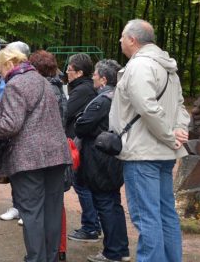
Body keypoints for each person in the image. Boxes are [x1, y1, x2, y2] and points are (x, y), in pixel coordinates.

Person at [0, 47, 71, 262]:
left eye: (0, 70)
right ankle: (51, 257)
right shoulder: (43, 80)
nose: (0, 75)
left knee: (32, 213)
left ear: (9, 64)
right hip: (56, 155)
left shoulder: (16, 84)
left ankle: (36, 258)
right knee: (52, 211)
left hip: (29, 159)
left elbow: (10, 125)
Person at [110, 20, 190, 262]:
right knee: (165, 214)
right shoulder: (167, 67)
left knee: (147, 218)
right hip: (163, 153)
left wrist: (170, 134)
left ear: (132, 39)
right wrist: (178, 131)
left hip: (142, 154)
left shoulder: (140, 66)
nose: (120, 41)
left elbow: (147, 108)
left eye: (122, 37)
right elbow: (180, 108)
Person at [75, 60, 130, 262]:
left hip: (100, 160)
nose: (93, 78)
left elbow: (82, 126)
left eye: (95, 75)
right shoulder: (119, 97)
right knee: (113, 204)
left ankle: (113, 252)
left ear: (104, 79)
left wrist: (81, 117)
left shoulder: (103, 100)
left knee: (106, 204)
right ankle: (120, 249)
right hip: (113, 158)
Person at [29, 49, 70, 260]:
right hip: (58, 153)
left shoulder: (43, 90)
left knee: (46, 207)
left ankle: (51, 253)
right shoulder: (59, 88)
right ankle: (55, 251)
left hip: (45, 155)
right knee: (54, 206)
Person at [64, 53, 101, 243]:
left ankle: (91, 227)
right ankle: (94, 224)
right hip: (83, 141)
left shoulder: (82, 90)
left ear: (79, 72)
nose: (67, 73)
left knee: (81, 183)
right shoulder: (84, 88)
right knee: (84, 183)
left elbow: (66, 113)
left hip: (81, 142)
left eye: (69, 70)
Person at [0, 41, 31, 226]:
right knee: (15, 175)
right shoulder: (9, 79)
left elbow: (12, 122)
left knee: (26, 178)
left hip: (21, 137)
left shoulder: (21, 81)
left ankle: (26, 210)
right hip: (10, 134)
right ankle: (17, 206)